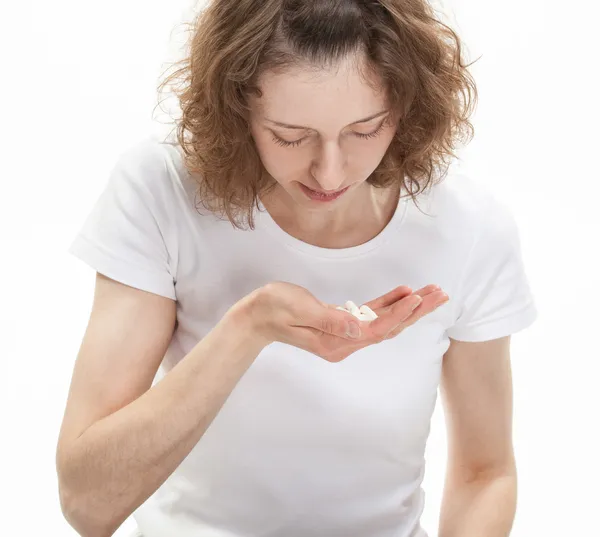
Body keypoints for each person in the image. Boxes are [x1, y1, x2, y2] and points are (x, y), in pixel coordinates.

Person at [55, 1, 538, 536]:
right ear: (236, 109)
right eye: (290, 135)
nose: (329, 170)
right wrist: (249, 327)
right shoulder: (162, 189)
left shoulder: (468, 228)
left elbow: (485, 473)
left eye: (365, 130)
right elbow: (88, 504)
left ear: (406, 105)